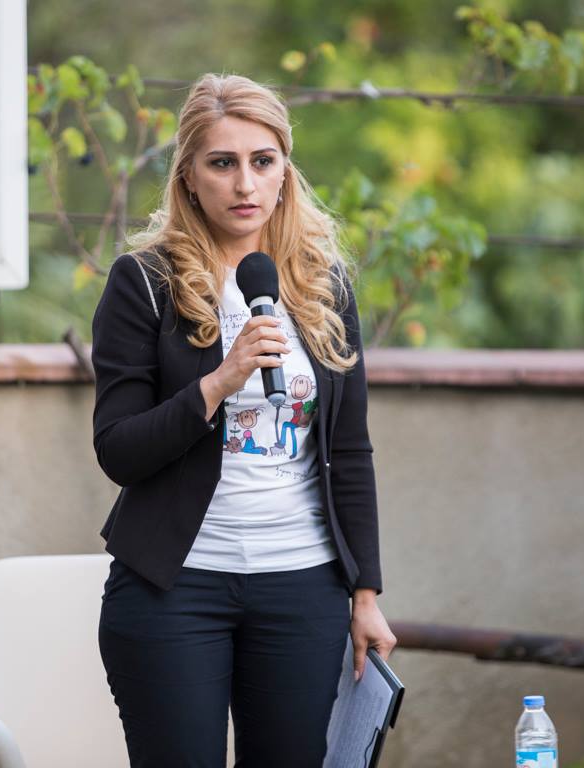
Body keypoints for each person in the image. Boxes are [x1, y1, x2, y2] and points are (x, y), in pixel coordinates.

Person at [91, 72, 396, 767]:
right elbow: (118, 449)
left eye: (262, 161)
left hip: (303, 587)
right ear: (189, 177)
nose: (244, 184)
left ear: (285, 170)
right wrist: (219, 382)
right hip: (174, 588)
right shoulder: (146, 284)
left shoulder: (321, 284)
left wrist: (365, 595)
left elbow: (350, 451)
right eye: (222, 163)